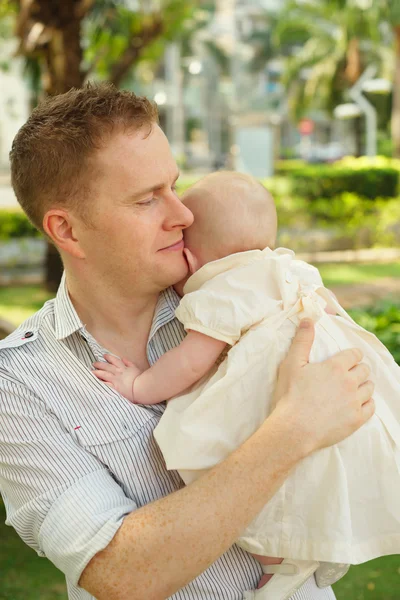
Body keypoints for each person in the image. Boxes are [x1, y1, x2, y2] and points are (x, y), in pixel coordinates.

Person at [0, 84, 374, 600]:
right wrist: (291, 430)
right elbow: (120, 572)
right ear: (67, 229)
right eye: (147, 199)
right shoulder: (17, 384)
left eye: (175, 186)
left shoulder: (248, 298)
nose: (184, 215)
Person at [93, 171, 400, 599]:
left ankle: (281, 559)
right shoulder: (291, 268)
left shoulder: (226, 289)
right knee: (316, 474)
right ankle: (316, 549)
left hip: (280, 391)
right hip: (337, 377)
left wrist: (138, 385)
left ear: (195, 260)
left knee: (217, 454)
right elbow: (333, 312)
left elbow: (190, 363)